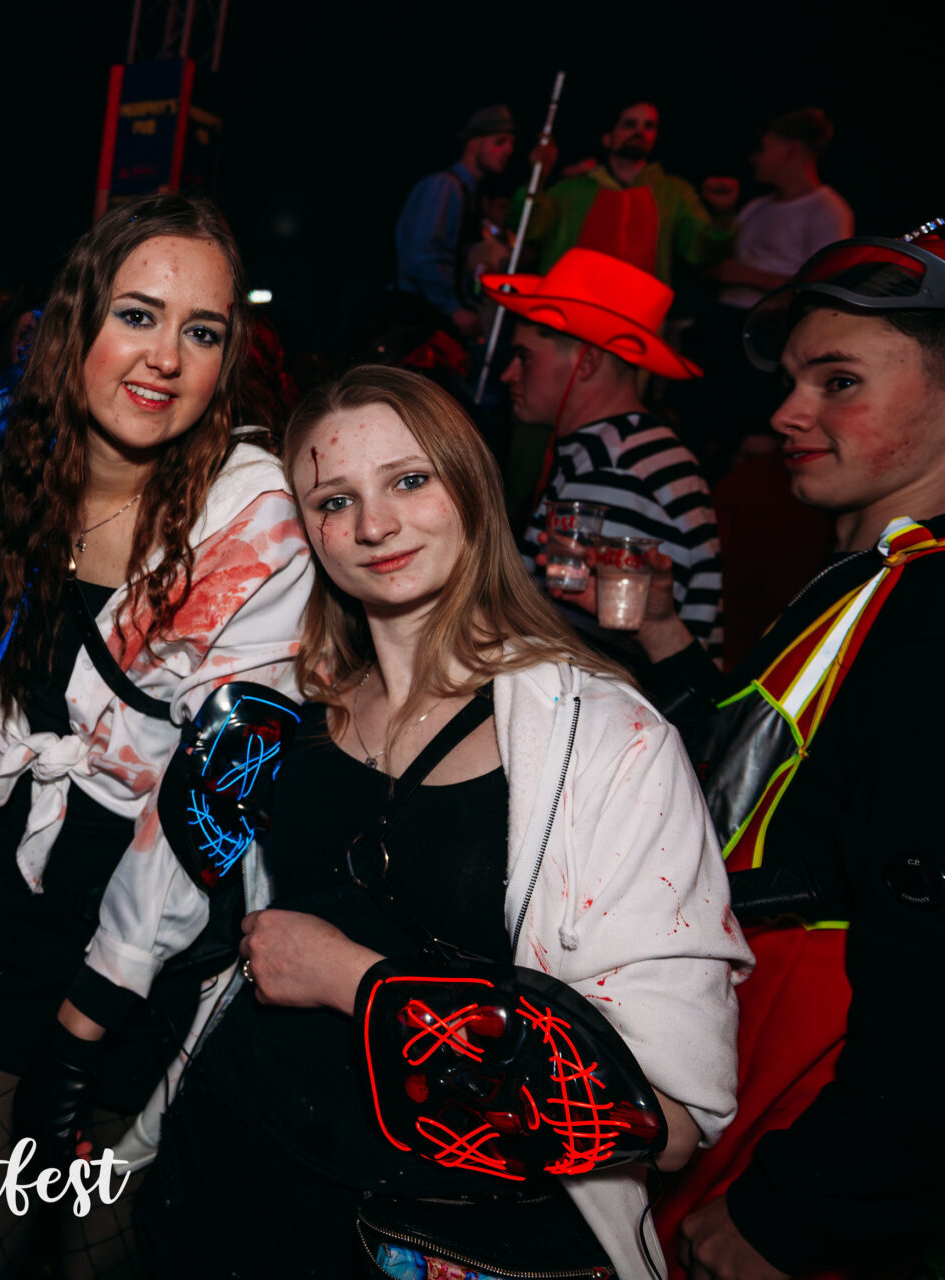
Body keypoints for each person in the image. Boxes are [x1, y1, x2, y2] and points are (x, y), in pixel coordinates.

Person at [141, 365, 748, 1280]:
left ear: (472, 488)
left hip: (431, 1240)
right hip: (225, 1174)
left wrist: (355, 981)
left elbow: (663, 1120)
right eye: (335, 501)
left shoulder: (604, 742)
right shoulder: (289, 708)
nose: (374, 526)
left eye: (409, 480)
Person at [0, 192, 314, 1279]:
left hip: (159, 928)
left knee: (96, 1256)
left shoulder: (253, 514)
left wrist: (98, 998)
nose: (166, 358)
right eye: (138, 315)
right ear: (76, 321)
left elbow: (218, 788)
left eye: (203, 331)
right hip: (11, 893)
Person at [586, 229, 945, 1278]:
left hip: (814, 1105)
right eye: (793, 381)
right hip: (754, 1060)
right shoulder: (873, 577)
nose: (789, 412)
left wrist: (799, 1208)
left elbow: (930, 960)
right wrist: (664, 637)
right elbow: (754, 788)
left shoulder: (931, 609)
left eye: (839, 381)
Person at [493, 245, 726, 661]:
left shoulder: (613, 471)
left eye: (524, 357)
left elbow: (585, 661)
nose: (507, 374)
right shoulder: (623, 449)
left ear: (587, 363)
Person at [673, 110, 854, 473]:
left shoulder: (827, 208)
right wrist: (721, 218)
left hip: (769, 334)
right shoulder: (756, 207)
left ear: (790, 149)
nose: (755, 158)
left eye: (764, 148)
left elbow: (826, 283)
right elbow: (716, 261)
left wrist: (746, 276)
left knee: (748, 439)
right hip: (722, 324)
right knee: (696, 421)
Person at [524, 101, 737, 284]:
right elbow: (527, 230)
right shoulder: (570, 189)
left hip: (637, 312)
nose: (640, 132)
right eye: (630, 124)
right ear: (607, 137)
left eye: (649, 126)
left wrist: (723, 214)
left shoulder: (674, 191)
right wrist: (538, 177)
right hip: (571, 308)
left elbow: (700, 250)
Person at [394, 104, 518, 342]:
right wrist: (454, 308)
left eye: (511, 143)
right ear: (474, 144)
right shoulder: (444, 186)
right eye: (500, 142)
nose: (508, 150)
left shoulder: (469, 194)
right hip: (418, 315)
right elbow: (422, 254)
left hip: (437, 315)